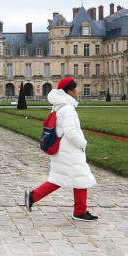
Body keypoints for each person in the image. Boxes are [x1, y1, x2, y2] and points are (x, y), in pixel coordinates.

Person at [25, 77, 98, 221]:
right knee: (81, 179)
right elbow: (70, 131)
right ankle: (80, 212)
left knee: (59, 179)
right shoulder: (68, 108)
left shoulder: (58, 105)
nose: (77, 90)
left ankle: (33, 196)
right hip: (70, 151)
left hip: (61, 149)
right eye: (75, 88)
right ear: (69, 91)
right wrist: (82, 143)